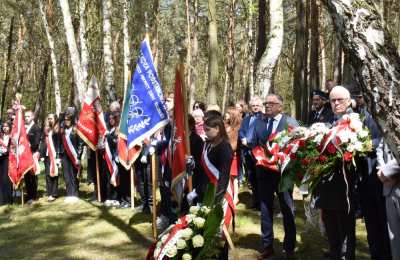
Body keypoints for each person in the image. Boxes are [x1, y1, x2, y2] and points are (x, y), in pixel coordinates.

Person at [314, 86, 358, 260]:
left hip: (346, 185)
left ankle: (346, 256)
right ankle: (334, 253)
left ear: (348, 101)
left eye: (340, 100)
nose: (336, 103)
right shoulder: (328, 121)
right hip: (327, 185)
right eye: (333, 100)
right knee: (331, 225)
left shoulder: (355, 121)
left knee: (345, 228)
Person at [253, 94, 298, 260]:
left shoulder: (290, 122)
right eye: (266, 103)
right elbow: (254, 143)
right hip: (264, 174)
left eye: (271, 103)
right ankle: (267, 245)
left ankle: (289, 247)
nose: (267, 106)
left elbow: (297, 145)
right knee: (265, 210)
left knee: (287, 210)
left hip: (283, 175)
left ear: (280, 106)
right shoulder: (260, 121)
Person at [238, 96, 263, 209]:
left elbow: (263, 134)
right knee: (251, 177)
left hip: (259, 153)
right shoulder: (246, 119)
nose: (255, 108)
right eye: (253, 106)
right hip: (247, 152)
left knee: (260, 178)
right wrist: (243, 138)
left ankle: (262, 202)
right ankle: (255, 201)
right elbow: (241, 131)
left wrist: (251, 142)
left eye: (257, 105)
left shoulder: (264, 118)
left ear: (261, 106)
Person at [377, 157, 400, 260]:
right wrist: (383, 173)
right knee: (394, 237)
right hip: (388, 187)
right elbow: (379, 150)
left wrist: (386, 172)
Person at [60, 109, 83, 203]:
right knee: (66, 175)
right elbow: (60, 144)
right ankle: (69, 194)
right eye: (65, 119)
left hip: (75, 156)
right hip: (65, 156)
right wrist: (59, 156)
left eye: (68, 119)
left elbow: (80, 144)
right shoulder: (62, 130)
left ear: (72, 119)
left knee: (74, 175)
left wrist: (78, 157)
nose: (67, 121)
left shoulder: (76, 129)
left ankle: (75, 194)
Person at [40, 114, 60, 202]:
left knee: (54, 174)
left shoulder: (57, 131)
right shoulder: (46, 131)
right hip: (47, 156)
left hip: (55, 155)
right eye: (48, 119)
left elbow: (59, 144)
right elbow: (43, 144)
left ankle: (54, 193)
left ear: (55, 119)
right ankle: (49, 192)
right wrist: (42, 155)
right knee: (48, 174)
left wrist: (59, 156)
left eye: (51, 118)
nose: (50, 120)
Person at [224, 107, 242, 205]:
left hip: (232, 155)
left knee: (233, 177)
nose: (225, 115)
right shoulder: (224, 126)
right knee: (226, 176)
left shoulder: (237, 129)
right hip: (224, 154)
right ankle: (227, 194)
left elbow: (234, 144)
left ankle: (236, 197)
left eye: (228, 114)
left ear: (233, 116)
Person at [24, 110, 41, 204]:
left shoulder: (36, 128)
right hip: (25, 155)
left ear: (33, 117)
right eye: (25, 116)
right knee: (26, 175)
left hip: (32, 154)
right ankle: (28, 194)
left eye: (28, 116)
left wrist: (28, 146)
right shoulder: (24, 128)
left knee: (32, 175)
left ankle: (33, 196)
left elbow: (36, 142)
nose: (26, 118)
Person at [0, 121, 13, 205]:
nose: (5, 128)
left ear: (10, 127)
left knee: (6, 179)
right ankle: (1, 200)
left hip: (8, 159)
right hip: (0, 159)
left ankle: (8, 200)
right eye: (3, 126)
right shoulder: (0, 136)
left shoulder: (12, 137)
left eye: (7, 126)